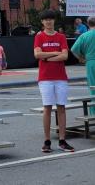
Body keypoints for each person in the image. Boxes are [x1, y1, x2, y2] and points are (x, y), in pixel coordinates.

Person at [33, 9, 74, 153]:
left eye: (51, 19)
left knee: (61, 108)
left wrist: (48, 57)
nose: (49, 22)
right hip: (45, 78)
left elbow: (65, 56)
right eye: (46, 20)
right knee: (47, 108)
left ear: (54, 21)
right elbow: (37, 54)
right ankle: (47, 140)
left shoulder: (61, 37)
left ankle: (62, 140)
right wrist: (56, 53)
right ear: (42, 22)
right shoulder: (39, 37)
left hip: (60, 77)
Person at [70, 17, 95, 95]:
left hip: (91, 62)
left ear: (88, 24)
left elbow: (73, 49)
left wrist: (81, 58)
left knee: (93, 86)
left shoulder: (84, 36)